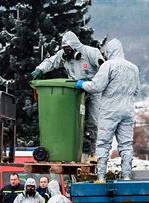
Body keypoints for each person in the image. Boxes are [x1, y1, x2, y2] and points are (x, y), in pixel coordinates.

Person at [31, 31, 105, 162]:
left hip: (93, 91)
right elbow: (51, 61)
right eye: (64, 49)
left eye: (68, 48)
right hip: (74, 91)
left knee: (94, 122)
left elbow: (104, 68)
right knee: (70, 122)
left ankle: (95, 153)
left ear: (75, 46)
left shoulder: (90, 52)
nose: (67, 52)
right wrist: (40, 69)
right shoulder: (63, 56)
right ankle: (67, 150)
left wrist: (95, 81)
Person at [75, 38, 140, 182]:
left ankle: (101, 176)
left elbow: (96, 86)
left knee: (103, 143)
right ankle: (127, 175)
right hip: (127, 111)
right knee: (126, 144)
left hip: (110, 110)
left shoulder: (108, 66)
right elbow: (137, 90)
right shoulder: (133, 68)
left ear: (109, 51)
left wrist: (82, 84)